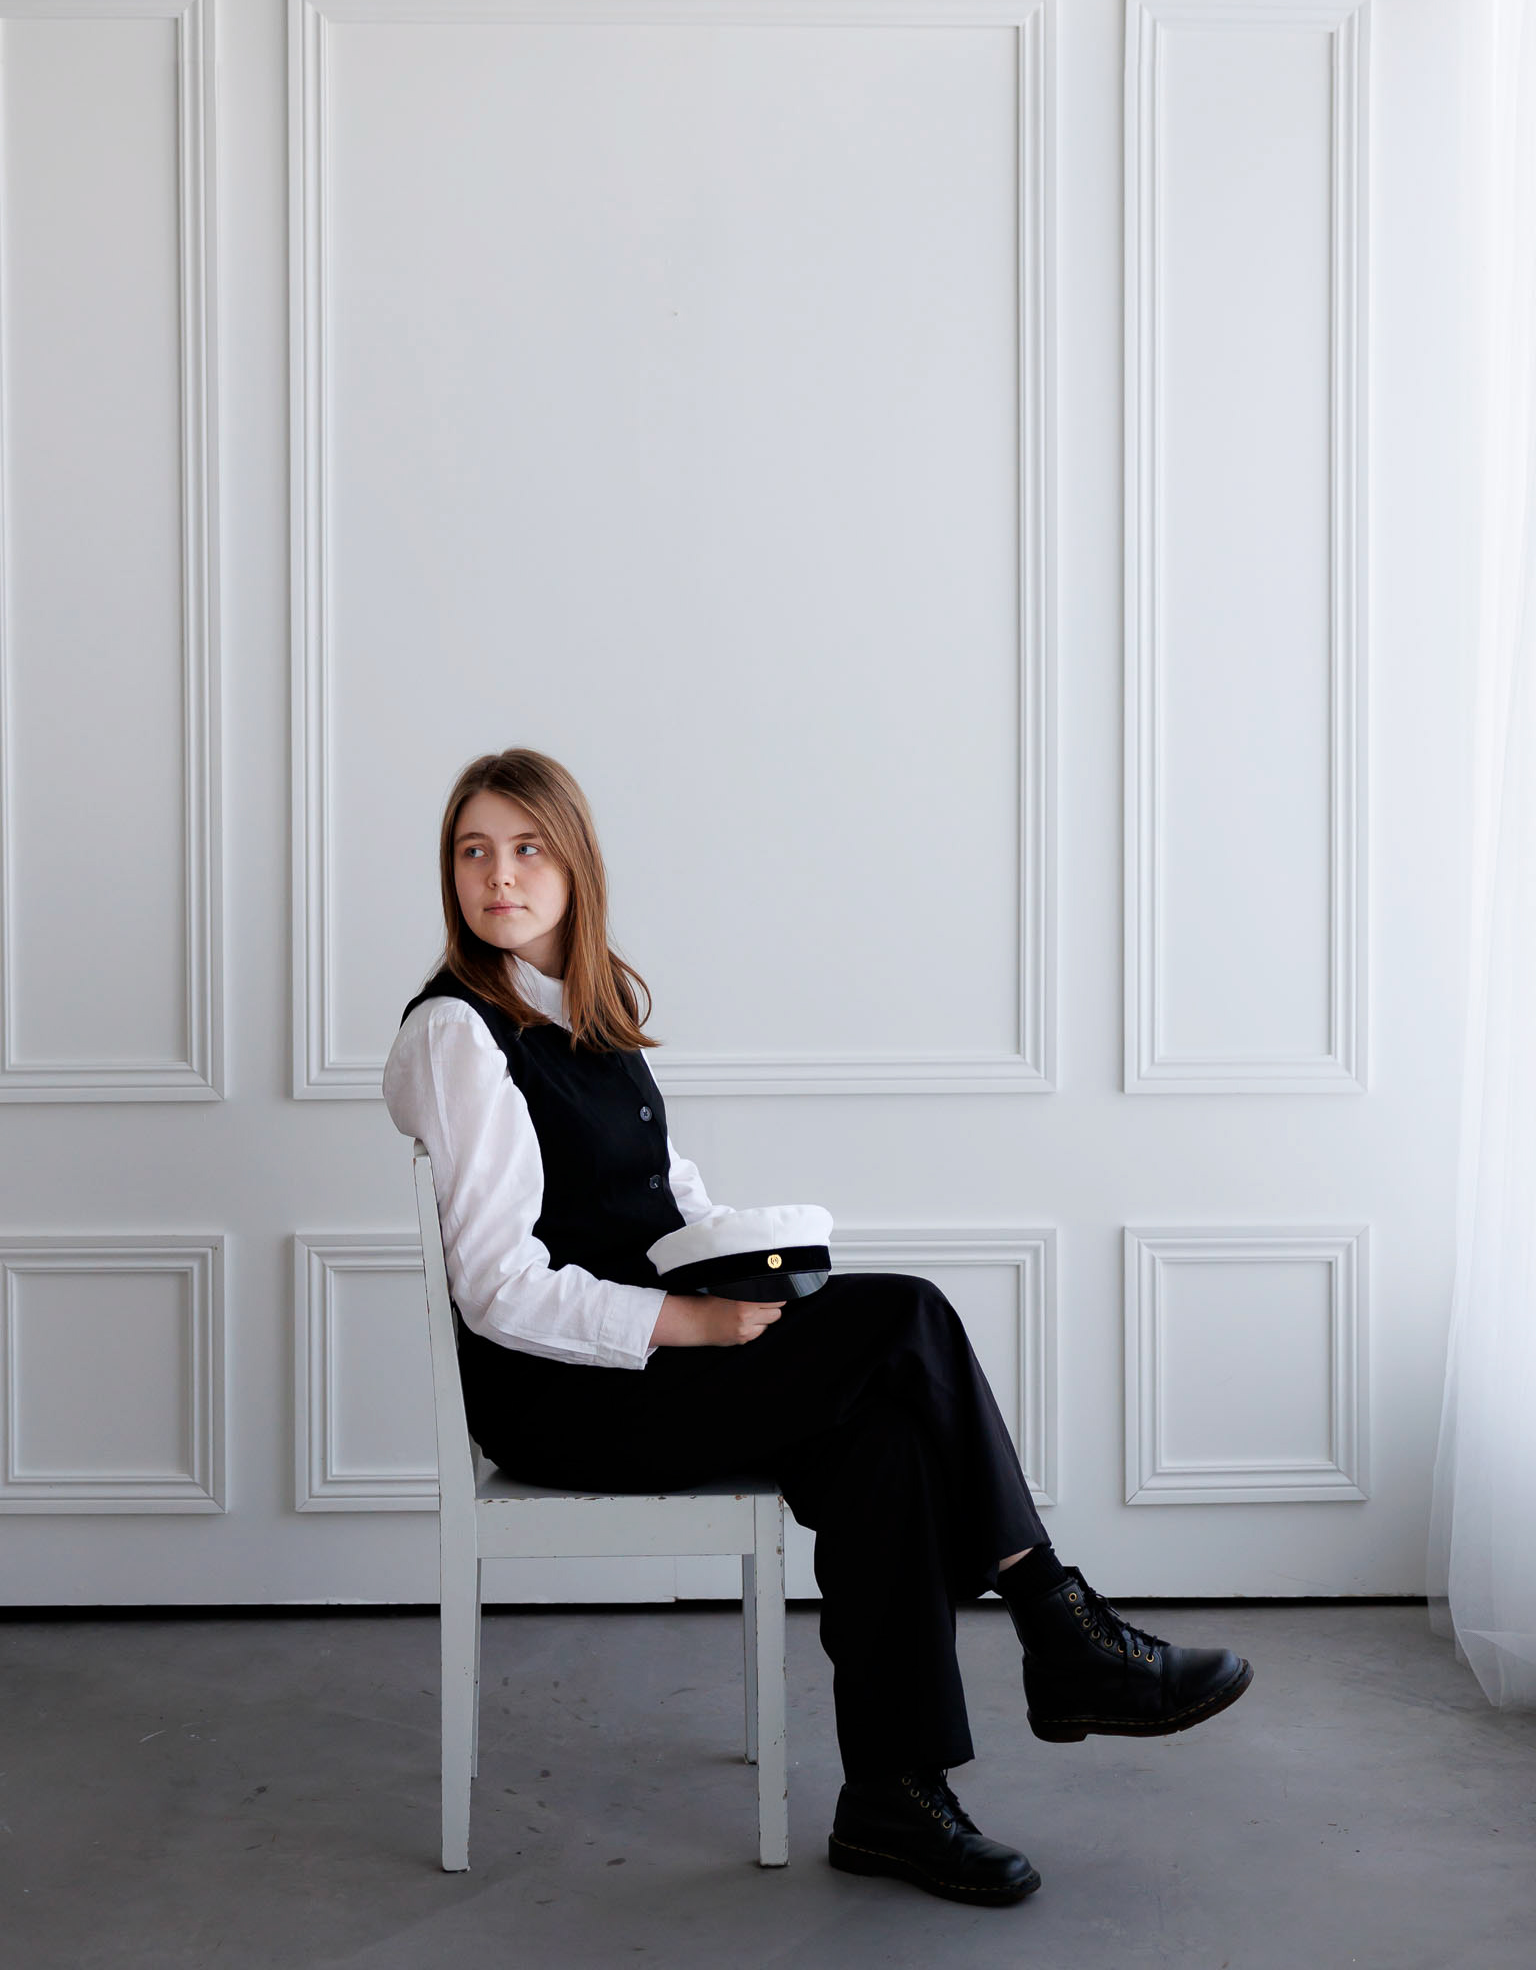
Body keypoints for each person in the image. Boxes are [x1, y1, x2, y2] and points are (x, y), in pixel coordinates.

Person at [383, 747, 1253, 1909]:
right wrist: (692, 1318)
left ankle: (894, 1796)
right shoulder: (459, 1033)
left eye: (527, 846)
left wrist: (755, 1260)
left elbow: (666, 1198)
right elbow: (496, 1286)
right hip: (563, 1395)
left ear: (575, 863)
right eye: (474, 850)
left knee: (881, 1437)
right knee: (907, 1313)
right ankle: (1059, 1621)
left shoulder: (591, 1014)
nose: (500, 874)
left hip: (647, 1366)